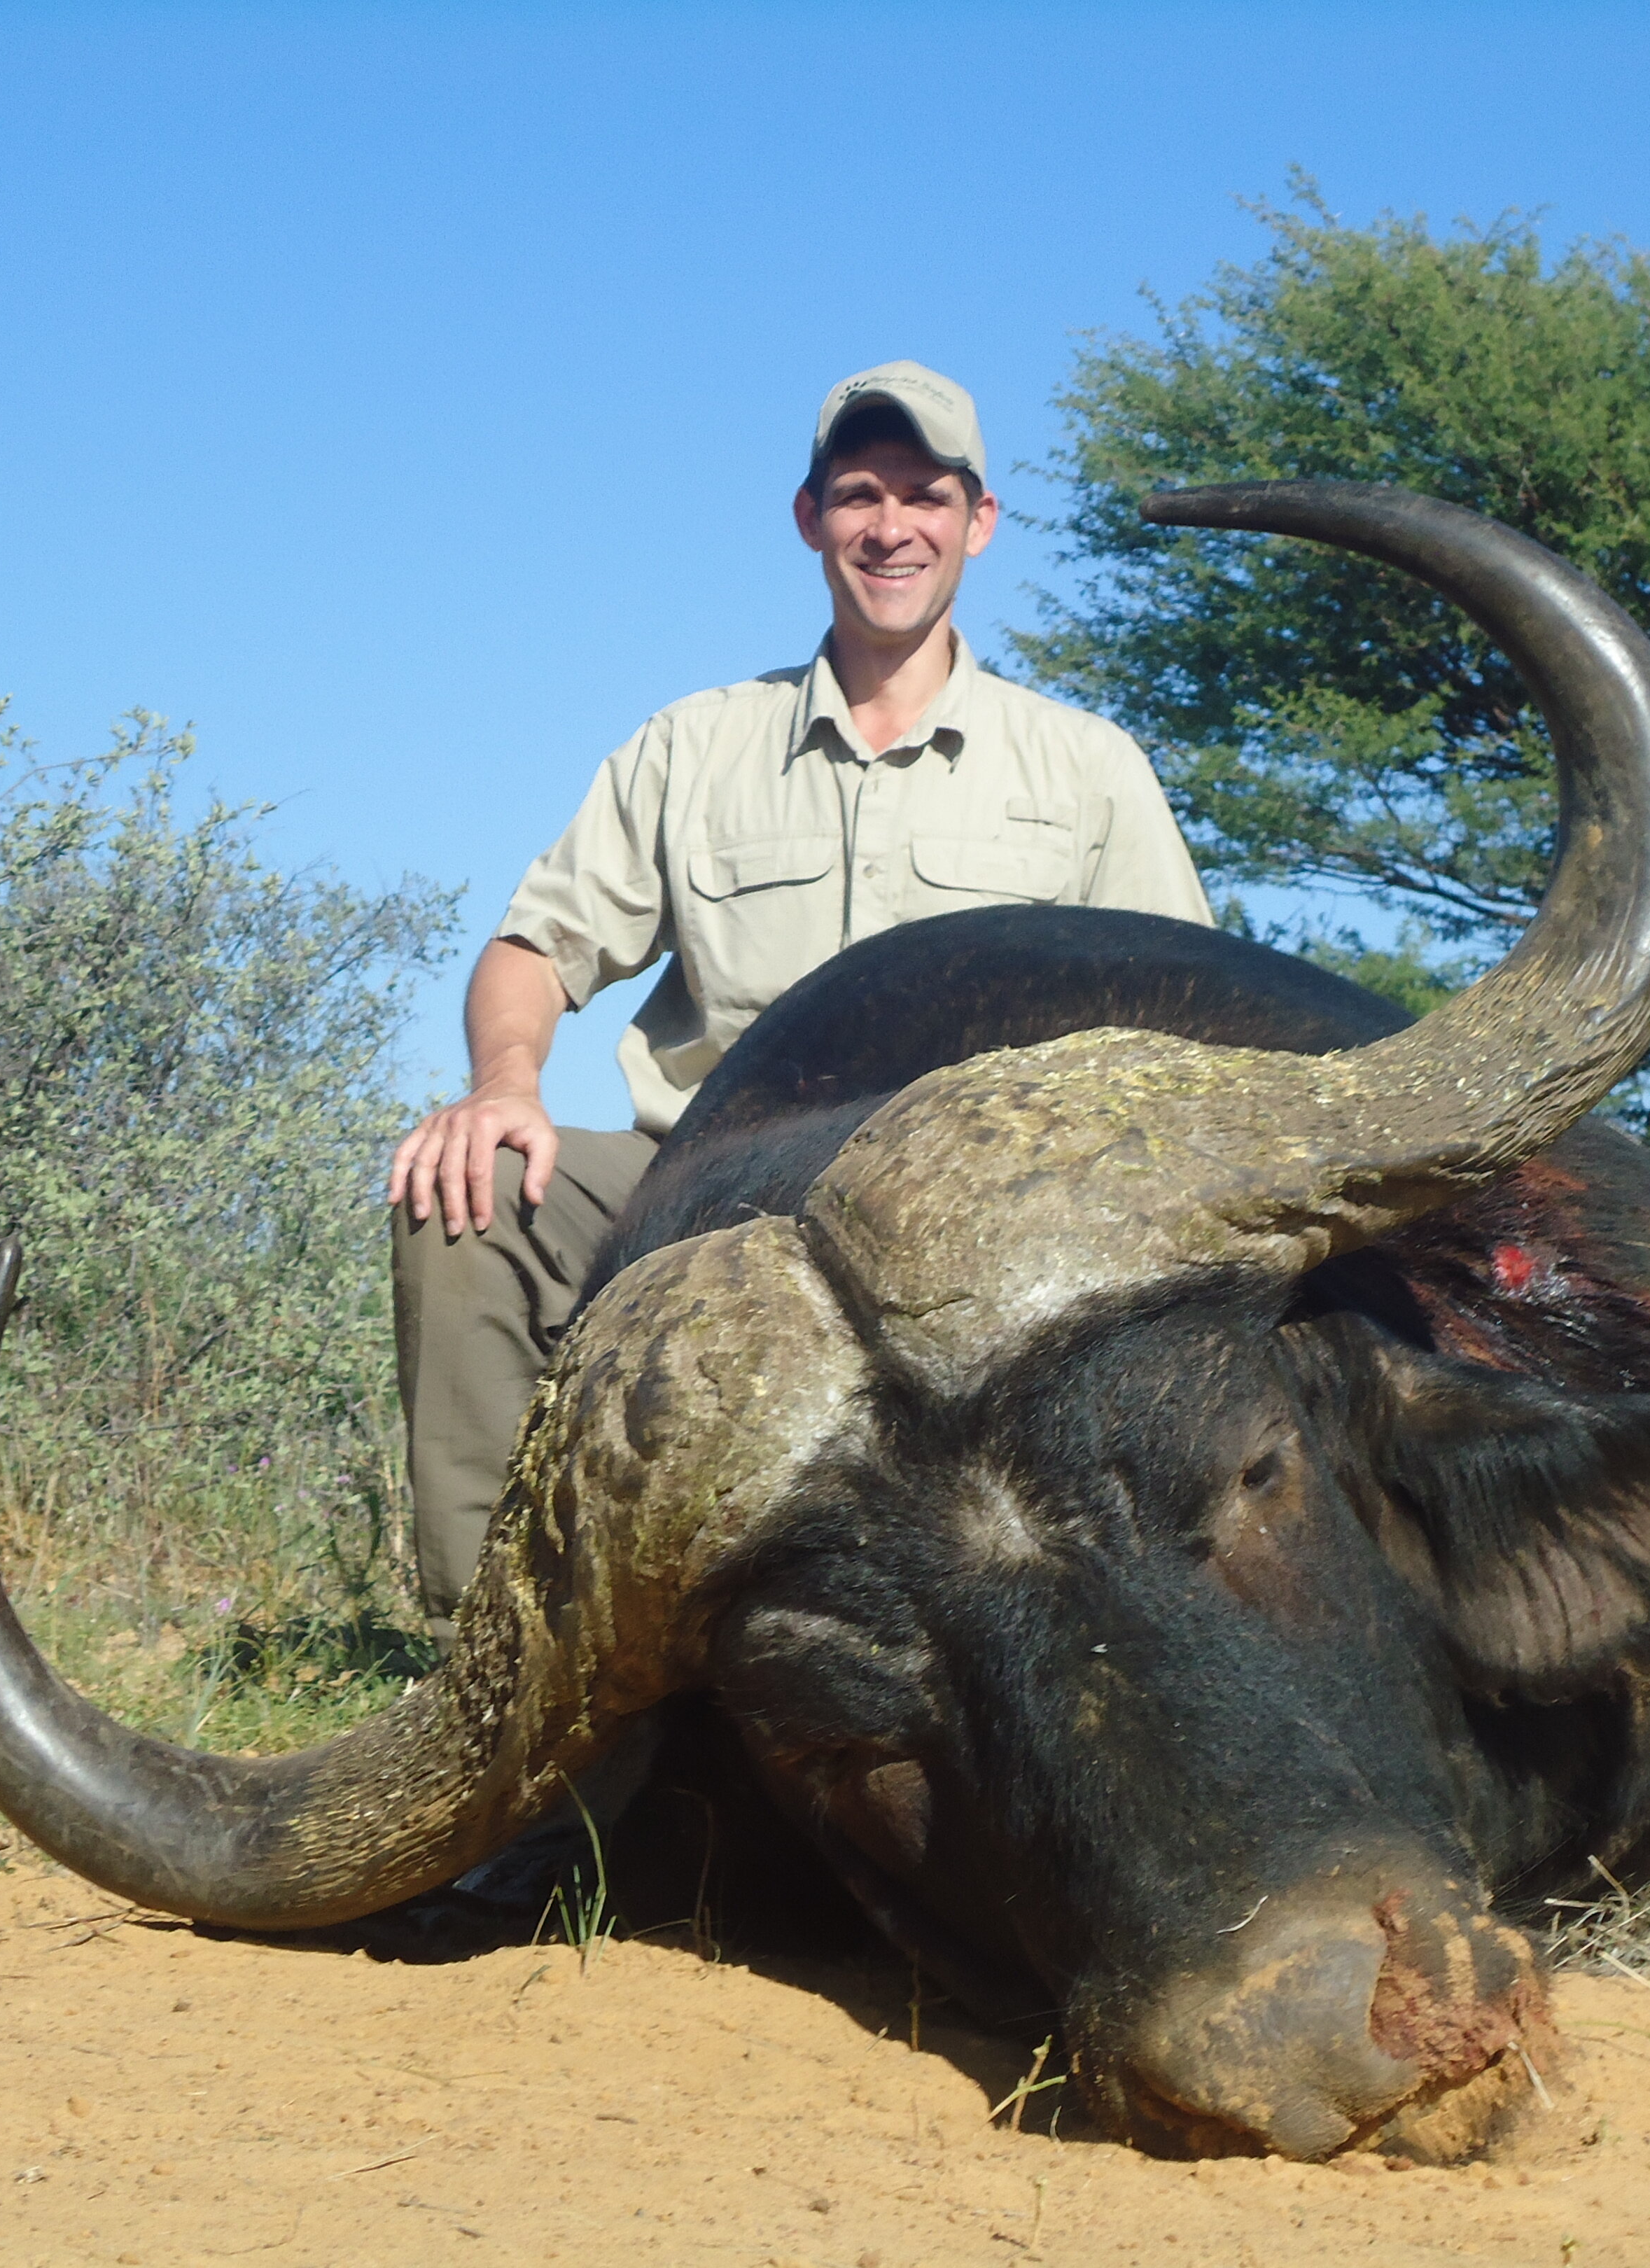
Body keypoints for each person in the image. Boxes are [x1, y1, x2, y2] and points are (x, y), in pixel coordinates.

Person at [386, 360, 1213, 1642]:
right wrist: (504, 1089)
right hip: (704, 1182)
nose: (894, 528)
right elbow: (532, 950)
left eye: (926, 497)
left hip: (982, 1218)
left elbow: (1185, 1025)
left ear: (979, 522)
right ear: (810, 517)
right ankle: (496, 1665)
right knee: (471, 1195)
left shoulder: (1088, 768)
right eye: (859, 495)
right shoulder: (694, 743)